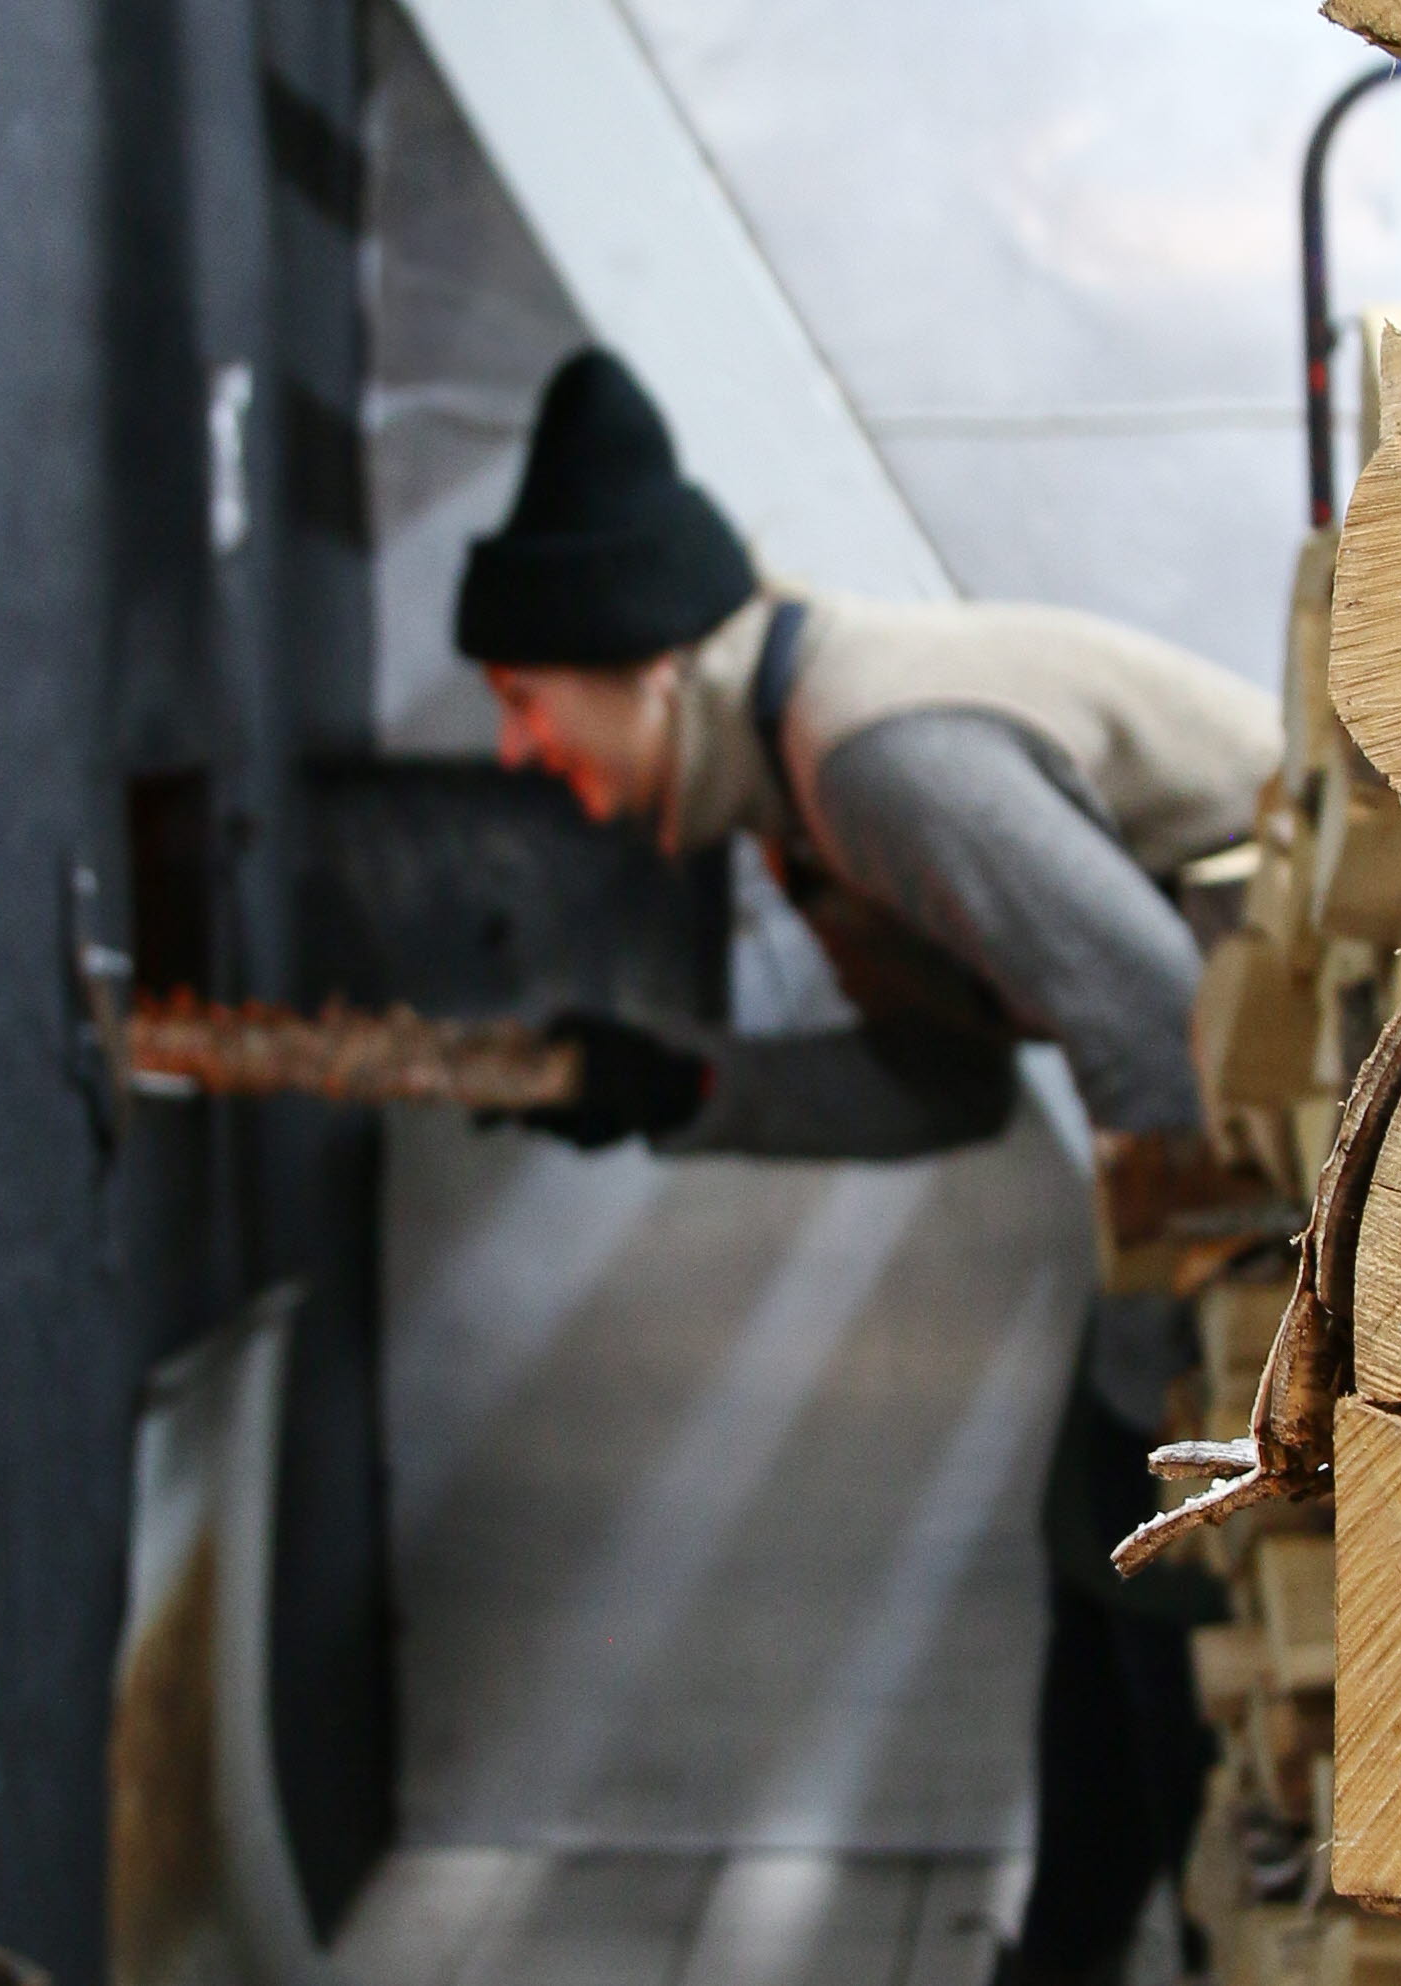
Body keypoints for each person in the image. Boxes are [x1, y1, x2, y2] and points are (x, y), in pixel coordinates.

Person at [459, 347, 1282, 1986]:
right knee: (1090, 1552)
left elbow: (1166, 1024)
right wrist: (674, 1084)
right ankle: (1059, 1961)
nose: (521, 750)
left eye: (528, 701)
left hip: (1292, 1148)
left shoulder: (869, 754)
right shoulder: (798, 782)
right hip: (1223, 1159)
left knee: (1165, 1607)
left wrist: (1167, 1377)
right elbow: (943, 1086)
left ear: (646, 668)